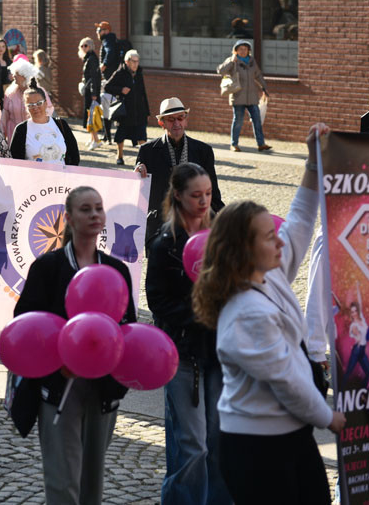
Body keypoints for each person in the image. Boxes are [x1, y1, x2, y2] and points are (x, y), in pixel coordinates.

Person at [192, 123, 344, 505]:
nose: (279, 239)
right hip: (257, 448)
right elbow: (288, 380)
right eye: (266, 235)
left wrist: (312, 163)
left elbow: (299, 222)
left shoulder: (269, 272)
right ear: (242, 249)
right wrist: (331, 419)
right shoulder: (246, 312)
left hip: (290, 436)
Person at [15, 186, 138, 505]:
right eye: (86, 209)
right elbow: (26, 326)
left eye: (99, 208)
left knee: (91, 484)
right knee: (62, 482)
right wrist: (61, 358)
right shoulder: (48, 268)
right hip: (59, 386)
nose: (95, 214)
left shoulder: (116, 270)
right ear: (69, 218)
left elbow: (127, 331)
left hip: (103, 389)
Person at [146, 163, 227, 505]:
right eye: (196, 195)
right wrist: (199, 315)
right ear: (177, 195)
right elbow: (158, 300)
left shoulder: (221, 237)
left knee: (219, 441)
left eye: (208, 194)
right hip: (182, 355)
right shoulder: (166, 243)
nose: (204, 201)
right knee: (191, 444)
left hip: (221, 353)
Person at [135, 98, 224, 243]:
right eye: (170, 119)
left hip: (195, 225)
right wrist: (136, 175)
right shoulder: (147, 151)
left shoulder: (203, 151)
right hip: (159, 225)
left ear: (186, 120)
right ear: (161, 123)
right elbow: (139, 193)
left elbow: (213, 190)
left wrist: (222, 216)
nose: (176, 123)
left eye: (180, 118)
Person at [217, 41, 271, 153]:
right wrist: (232, 62)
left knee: (257, 120)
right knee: (238, 121)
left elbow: (258, 75)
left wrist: (264, 88)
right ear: (236, 50)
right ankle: (234, 144)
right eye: (240, 49)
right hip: (238, 97)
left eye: (245, 49)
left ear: (248, 50)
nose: (243, 51)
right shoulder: (232, 60)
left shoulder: (252, 61)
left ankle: (261, 144)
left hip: (252, 97)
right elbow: (221, 71)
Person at [9, 81, 78, 165]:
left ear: (45, 104)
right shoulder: (21, 130)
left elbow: (74, 155)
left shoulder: (61, 124)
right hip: (34, 177)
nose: (35, 107)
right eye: (30, 105)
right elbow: (15, 161)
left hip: (61, 176)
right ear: (26, 107)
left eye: (39, 103)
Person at [105, 49, 150, 166]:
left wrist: (146, 111)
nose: (136, 64)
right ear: (127, 61)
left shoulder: (139, 73)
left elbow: (143, 92)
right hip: (125, 111)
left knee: (142, 136)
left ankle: (143, 159)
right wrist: (120, 90)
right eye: (133, 61)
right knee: (121, 136)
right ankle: (119, 156)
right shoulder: (120, 73)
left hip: (139, 111)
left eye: (137, 61)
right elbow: (107, 87)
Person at [1, 57, 38, 142]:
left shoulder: (38, 92)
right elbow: (5, 114)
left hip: (33, 133)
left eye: (16, 74)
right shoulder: (10, 92)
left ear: (24, 76)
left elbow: (48, 110)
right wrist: (2, 134)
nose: (13, 76)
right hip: (13, 133)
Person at [79, 37, 102, 150]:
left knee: (92, 115)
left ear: (91, 46)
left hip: (92, 92)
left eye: (86, 45)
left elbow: (94, 77)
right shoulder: (88, 58)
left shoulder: (92, 58)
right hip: (89, 91)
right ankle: (93, 138)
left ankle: (96, 139)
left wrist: (94, 93)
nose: (83, 48)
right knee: (90, 114)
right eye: (82, 46)